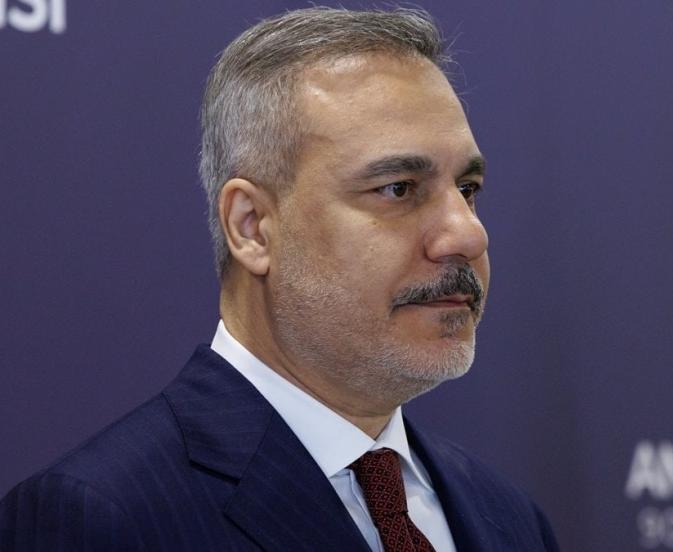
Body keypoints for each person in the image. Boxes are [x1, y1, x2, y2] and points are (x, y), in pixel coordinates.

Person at [0, 7, 559, 551]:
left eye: (467, 190)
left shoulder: (509, 519)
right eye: (398, 189)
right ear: (252, 227)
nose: (468, 235)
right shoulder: (99, 517)